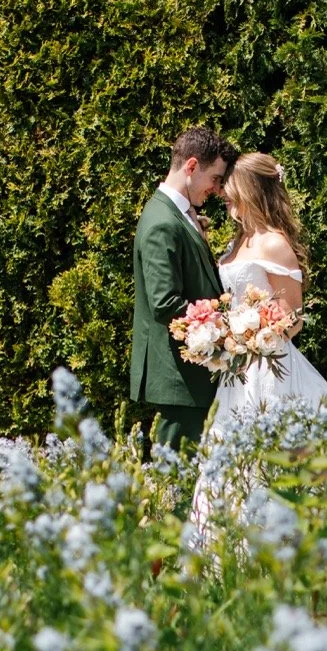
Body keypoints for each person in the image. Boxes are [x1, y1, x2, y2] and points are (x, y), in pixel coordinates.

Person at [129, 127, 238, 452]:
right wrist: (224, 330)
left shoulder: (180, 214)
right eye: (215, 178)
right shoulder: (163, 221)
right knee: (177, 482)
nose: (216, 189)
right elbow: (165, 303)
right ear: (191, 166)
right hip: (179, 377)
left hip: (191, 375)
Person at [212, 152, 327, 416]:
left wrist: (252, 343)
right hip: (235, 366)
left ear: (251, 189)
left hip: (268, 369)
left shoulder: (273, 243)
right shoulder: (237, 241)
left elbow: (293, 318)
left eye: (230, 187)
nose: (223, 193)